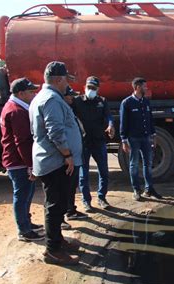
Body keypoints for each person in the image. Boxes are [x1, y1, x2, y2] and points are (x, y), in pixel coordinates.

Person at [29, 61, 82, 265]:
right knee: (55, 205)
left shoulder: (41, 97)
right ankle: (52, 251)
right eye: (66, 79)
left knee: (56, 204)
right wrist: (68, 155)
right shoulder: (52, 99)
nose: (67, 83)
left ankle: (58, 241)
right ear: (59, 79)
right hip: (56, 162)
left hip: (51, 161)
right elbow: (55, 131)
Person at [0, 77, 44, 242]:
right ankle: (24, 230)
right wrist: (31, 165)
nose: (34, 94)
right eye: (31, 91)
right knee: (22, 194)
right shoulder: (17, 111)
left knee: (27, 193)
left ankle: (27, 223)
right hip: (19, 162)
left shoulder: (15, 107)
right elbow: (22, 141)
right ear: (20, 93)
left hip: (18, 161)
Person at [72, 76, 115, 211]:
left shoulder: (102, 101)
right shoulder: (77, 101)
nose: (91, 90)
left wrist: (110, 125)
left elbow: (108, 116)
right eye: (89, 88)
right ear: (84, 87)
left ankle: (102, 197)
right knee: (83, 174)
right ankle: (86, 201)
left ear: (98, 89)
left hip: (99, 141)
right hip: (84, 143)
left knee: (104, 171)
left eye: (94, 88)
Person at [120, 77, 161, 201]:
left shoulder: (146, 102)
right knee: (134, 164)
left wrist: (153, 135)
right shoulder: (126, 103)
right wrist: (123, 140)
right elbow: (123, 122)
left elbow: (150, 120)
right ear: (137, 87)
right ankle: (136, 190)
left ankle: (149, 189)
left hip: (146, 137)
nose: (146, 88)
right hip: (133, 139)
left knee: (148, 163)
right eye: (144, 86)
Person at [62, 86, 88, 224]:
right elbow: (58, 134)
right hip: (68, 156)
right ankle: (65, 213)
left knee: (72, 185)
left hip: (75, 155)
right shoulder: (61, 111)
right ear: (63, 96)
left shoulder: (70, 109)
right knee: (65, 186)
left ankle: (71, 210)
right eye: (70, 95)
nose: (72, 97)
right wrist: (67, 155)